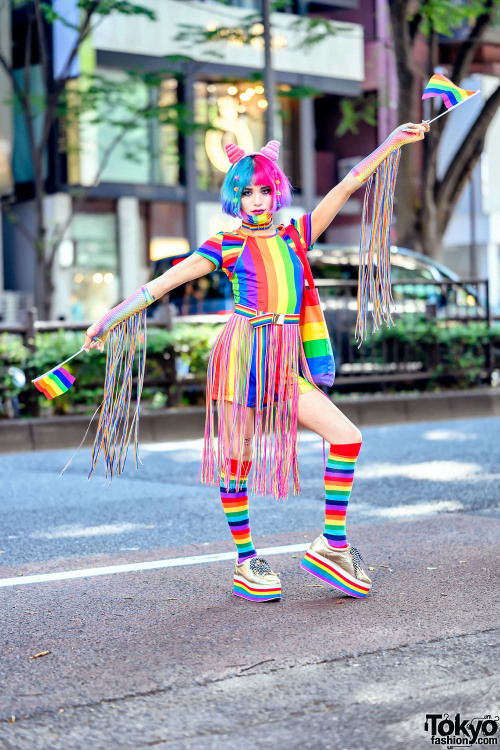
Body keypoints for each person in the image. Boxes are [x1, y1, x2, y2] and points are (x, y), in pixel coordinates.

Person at [84, 121, 429, 603]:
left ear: (277, 192)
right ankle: (247, 561)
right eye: (247, 193)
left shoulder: (296, 235)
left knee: (347, 438)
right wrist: (110, 316)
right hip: (241, 355)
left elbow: (347, 184)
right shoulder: (224, 244)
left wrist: (391, 143)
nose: (257, 200)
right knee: (239, 458)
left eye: (265, 190)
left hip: (286, 362)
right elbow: (160, 285)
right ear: (235, 198)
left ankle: (331, 544)